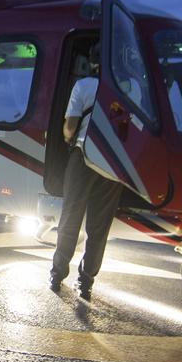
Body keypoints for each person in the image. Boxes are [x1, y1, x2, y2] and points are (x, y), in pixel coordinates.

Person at [50, 43, 125, 301]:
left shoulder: (83, 86)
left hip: (83, 159)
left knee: (70, 218)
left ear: (93, 63)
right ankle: (86, 282)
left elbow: (70, 128)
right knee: (99, 226)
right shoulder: (131, 89)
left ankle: (57, 275)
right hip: (114, 166)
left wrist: (68, 137)